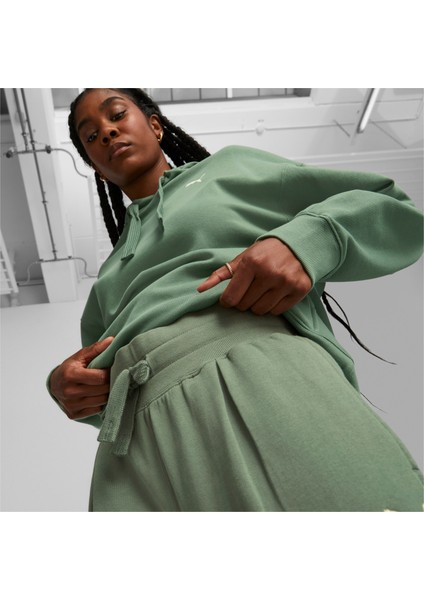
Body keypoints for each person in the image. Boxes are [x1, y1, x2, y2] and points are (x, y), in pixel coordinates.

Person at [48, 88, 424, 512]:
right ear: (96, 169)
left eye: (117, 114)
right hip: (135, 445)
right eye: (91, 136)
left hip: (257, 372)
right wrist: (64, 387)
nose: (107, 131)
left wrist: (305, 240)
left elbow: (390, 205)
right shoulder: (109, 273)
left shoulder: (228, 168)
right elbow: (99, 387)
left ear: (155, 126)